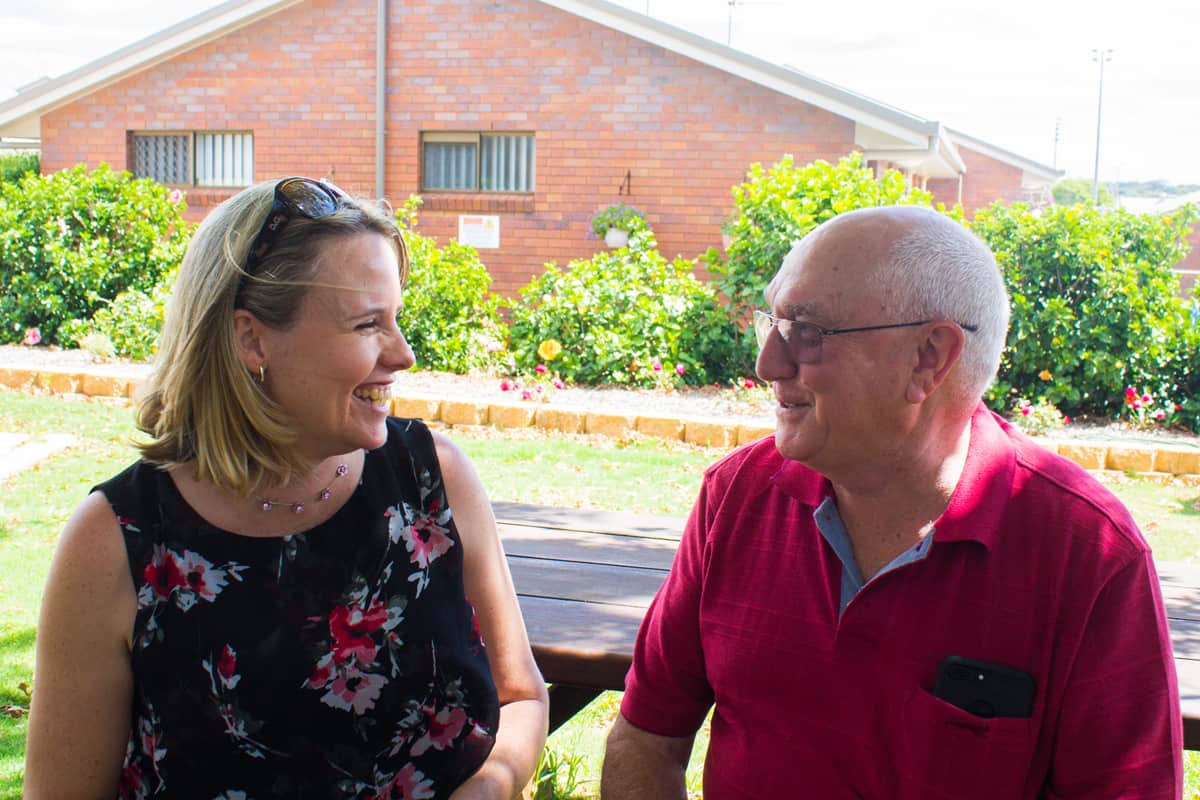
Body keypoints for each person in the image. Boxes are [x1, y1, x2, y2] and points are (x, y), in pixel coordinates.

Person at [601, 206, 1181, 799]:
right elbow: (646, 737)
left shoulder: (1088, 552)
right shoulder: (737, 497)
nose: (767, 363)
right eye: (771, 324)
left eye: (807, 331)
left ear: (929, 358)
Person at [25, 177, 548, 798]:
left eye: (396, 319)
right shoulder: (117, 542)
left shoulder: (433, 477)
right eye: (366, 325)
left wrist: (490, 785)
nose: (403, 354)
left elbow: (522, 694)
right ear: (252, 339)